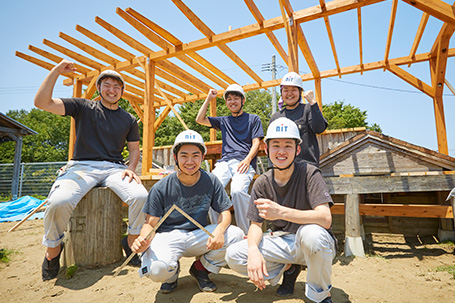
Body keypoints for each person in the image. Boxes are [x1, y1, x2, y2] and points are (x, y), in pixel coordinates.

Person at [34, 59, 147, 281]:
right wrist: (57, 70)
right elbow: (41, 102)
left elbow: (135, 149)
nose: (112, 90)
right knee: (58, 202)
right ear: (99, 88)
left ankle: (131, 240)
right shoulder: (83, 107)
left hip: (115, 169)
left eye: (117, 86)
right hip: (82, 166)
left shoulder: (129, 119)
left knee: (140, 195)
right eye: (107, 85)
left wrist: (132, 168)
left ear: (122, 91)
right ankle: (53, 250)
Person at [226, 117, 336, 303]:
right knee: (233, 254)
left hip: (311, 242)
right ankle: (287, 267)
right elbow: (255, 225)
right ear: (266, 149)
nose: (282, 151)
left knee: (312, 235)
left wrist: (280, 212)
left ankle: (321, 294)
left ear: (297, 149)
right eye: (275, 145)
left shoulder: (310, 173)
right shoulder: (262, 182)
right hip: (282, 242)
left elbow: (325, 219)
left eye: (288, 145)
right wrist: (253, 250)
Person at [131, 130, 244, 294]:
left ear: (202, 157)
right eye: (184, 155)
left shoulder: (211, 180)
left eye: (195, 155)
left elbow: (225, 212)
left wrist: (219, 230)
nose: (190, 161)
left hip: (198, 235)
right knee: (156, 271)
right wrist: (143, 239)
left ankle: (201, 269)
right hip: (168, 236)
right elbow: (150, 223)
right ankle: (171, 274)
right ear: (175, 157)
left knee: (235, 234)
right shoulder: (161, 187)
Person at [195, 85, 264, 233]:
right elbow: (199, 119)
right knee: (211, 188)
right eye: (229, 99)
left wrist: (247, 160)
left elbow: (256, 142)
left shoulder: (253, 119)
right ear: (226, 103)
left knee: (237, 191)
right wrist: (208, 98)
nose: (232, 102)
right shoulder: (224, 121)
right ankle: (218, 231)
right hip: (224, 163)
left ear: (243, 100)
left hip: (243, 162)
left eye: (236, 98)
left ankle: (246, 233)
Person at [269, 72, 328, 167]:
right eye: (286, 90)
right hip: (282, 168)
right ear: (281, 93)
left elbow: (319, 129)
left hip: (306, 166)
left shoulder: (308, 109)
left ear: (300, 92)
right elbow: (271, 146)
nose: (289, 94)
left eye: (294, 90)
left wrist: (313, 103)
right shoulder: (276, 117)